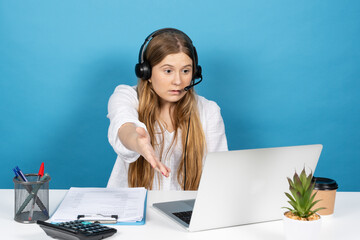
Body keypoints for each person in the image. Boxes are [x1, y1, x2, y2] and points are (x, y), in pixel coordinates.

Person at [107, 28, 228, 190]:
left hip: (186, 211)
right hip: (129, 210)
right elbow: (124, 125)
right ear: (146, 73)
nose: (178, 81)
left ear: (195, 73)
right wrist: (138, 142)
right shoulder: (126, 96)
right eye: (168, 71)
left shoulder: (209, 111)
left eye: (185, 71)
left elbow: (218, 176)